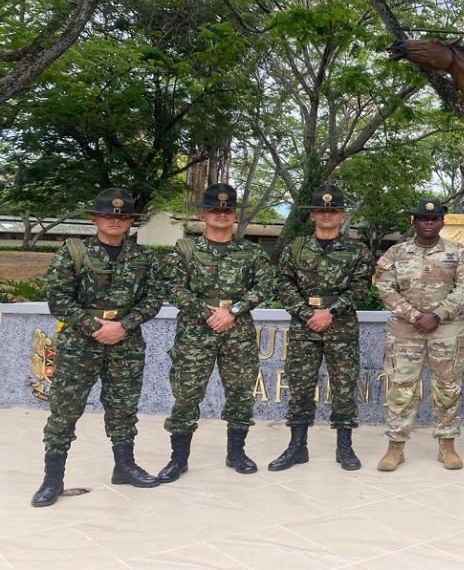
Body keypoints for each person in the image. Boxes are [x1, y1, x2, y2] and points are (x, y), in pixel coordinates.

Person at [32, 188, 163, 507]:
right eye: (107, 215)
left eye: (121, 216)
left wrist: (124, 326)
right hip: (80, 343)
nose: (114, 220)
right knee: (65, 409)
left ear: (131, 221)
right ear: (95, 219)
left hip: (126, 343)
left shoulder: (142, 257)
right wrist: (96, 328)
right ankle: (52, 479)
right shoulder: (73, 252)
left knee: (123, 407)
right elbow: (59, 300)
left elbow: (154, 297)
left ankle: (124, 466)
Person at [158, 183, 273, 482]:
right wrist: (207, 313)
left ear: (234, 215)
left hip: (238, 330)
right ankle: (178, 459)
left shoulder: (250, 252)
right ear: (203, 214)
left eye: (227, 210)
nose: (221, 215)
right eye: (214, 209)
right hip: (196, 331)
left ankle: (236, 453)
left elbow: (263, 286)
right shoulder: (186, 250)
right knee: (186, 394)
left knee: (240, 393)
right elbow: (172, 286)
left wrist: (232, 311)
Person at [269, 185, 372, 472]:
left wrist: (332, 312)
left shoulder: (357, 250)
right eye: (321, 210)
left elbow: (361, 287)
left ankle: (344, 447)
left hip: (341, 328)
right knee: (300, 387)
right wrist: (307, 314)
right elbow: (284, 283)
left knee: (343, 387)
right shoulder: (296, 248)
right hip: (305, 328)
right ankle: (297, 447)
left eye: (333, 210)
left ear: (342, 215)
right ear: (313, 214)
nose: (327, 215)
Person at [373, 197, 464, 471]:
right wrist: (414, 316)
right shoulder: (396, 253)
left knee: (447, 388)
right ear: (414, 221)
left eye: (434, 218)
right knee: (400, 388)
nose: (429, 222)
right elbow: (385, 288)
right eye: (423, 218)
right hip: (405, 332)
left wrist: (438, 315)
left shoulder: (458, 253)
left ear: (442, 221)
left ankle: (447, 446)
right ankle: (395, 448)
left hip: (446, 332)